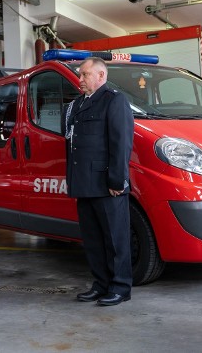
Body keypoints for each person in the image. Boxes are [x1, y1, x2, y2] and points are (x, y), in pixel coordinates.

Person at [65, 57, 134, 306]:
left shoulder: (114, 101)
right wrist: (71, 182)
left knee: (115, 240)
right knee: (93, 241)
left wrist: (117, 181)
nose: (80, 80)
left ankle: (120, 287)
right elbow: (72, 146)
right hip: (84, 184)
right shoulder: (76, 106)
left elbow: (121, 143)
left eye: (84, 75)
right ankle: (101, 284)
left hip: (108, 186)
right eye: (80, 75)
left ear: (101, 76)